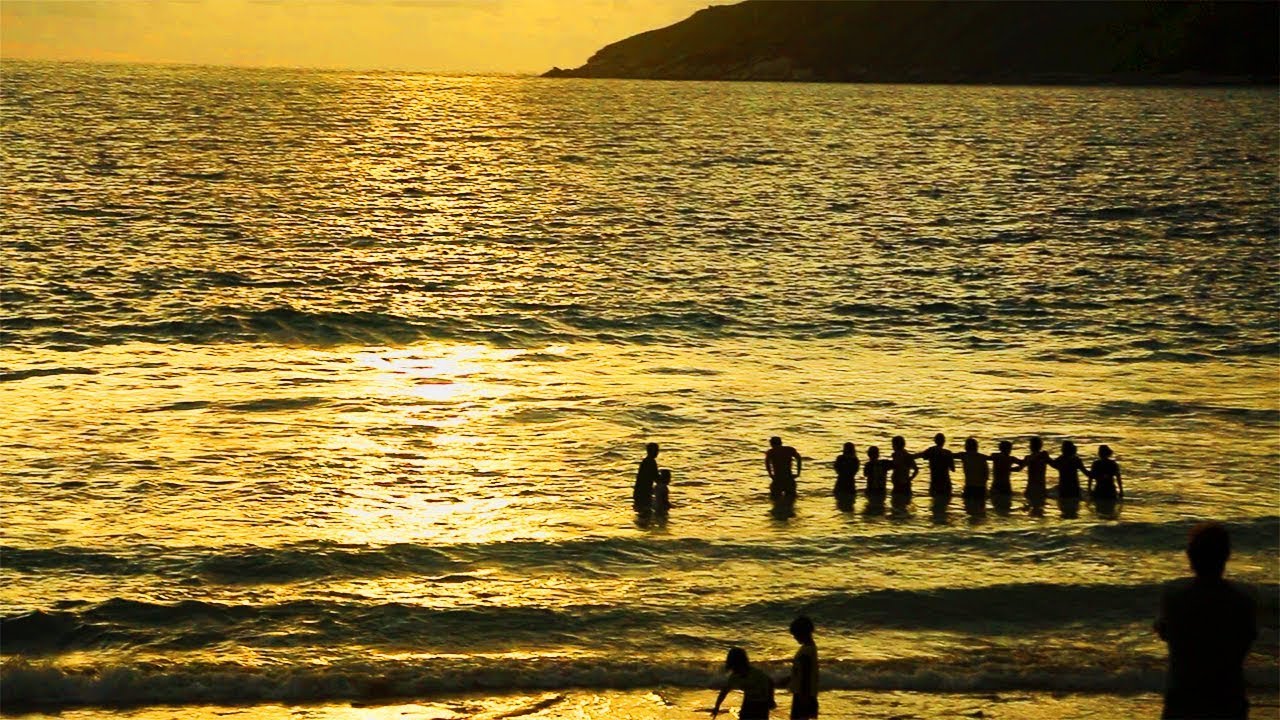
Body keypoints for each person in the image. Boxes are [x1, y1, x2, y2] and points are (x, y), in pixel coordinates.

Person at [1155, 523, 1257, 719]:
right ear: (1226, 556)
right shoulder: (1243, 601)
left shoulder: (1173, 598)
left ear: (1190, 557)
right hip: (1228, 699)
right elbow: (1248, 638)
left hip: (1183, 699)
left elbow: (1164, 631)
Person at [711, 647, 775, 719]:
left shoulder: (755, 673)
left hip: (761, 703)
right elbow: (724, 691)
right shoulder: (734, 676)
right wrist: (717, 706)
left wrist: (771, 699)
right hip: (748, 701)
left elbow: (770, 682)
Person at [776, 616, 819, 719]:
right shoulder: (810, 648)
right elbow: (802, 672)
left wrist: (804, 698)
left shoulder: (806, 651)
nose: (794, 637)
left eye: (795, 634)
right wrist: (789, 679)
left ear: (801, 633)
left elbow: (806, 676)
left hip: (802, 695)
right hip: (805, 693)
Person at [917, 433, 955, 498]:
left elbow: (921, 455)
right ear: (944, 441)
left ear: (935, 441)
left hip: (935, 483)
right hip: (946, 483)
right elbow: (953, 469)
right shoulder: (948, 453)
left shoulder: (931, 450)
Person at [766, 436, 803, 501]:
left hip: (778, 479)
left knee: (775, 500)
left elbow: (767, 464)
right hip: (789, 478)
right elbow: (799, 458)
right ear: (781, 442)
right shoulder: (789, 450)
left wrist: (771, 475)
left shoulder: (771, 452)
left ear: (771, 444)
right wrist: (798, 472)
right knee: (791, 500)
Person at [955, 437, 990, 501]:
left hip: (969, 486)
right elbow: (987, 474)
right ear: (976, 447)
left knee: (969, 508)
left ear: (966, 447)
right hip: (981, 487)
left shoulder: (964, 455)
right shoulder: (982, 457)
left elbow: (951, 455)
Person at [634, 442, 660, 508]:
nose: (657, 452)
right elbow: (656, 477)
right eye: (656, 450)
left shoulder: (646, 461)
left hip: (640, 491)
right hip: (644, 491)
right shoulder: (651, 462)